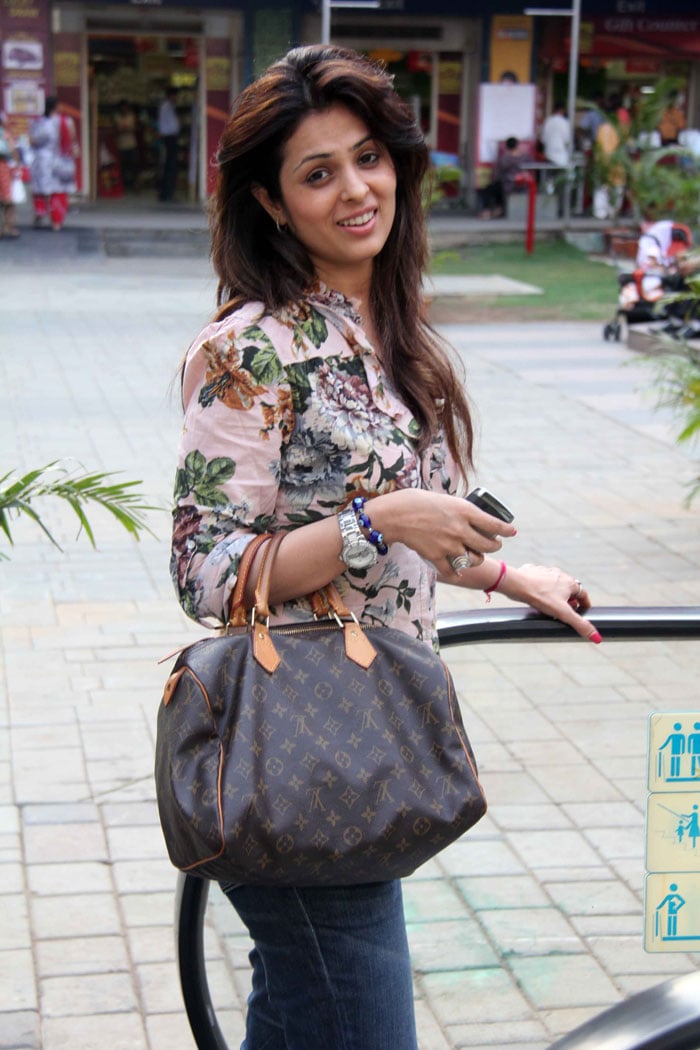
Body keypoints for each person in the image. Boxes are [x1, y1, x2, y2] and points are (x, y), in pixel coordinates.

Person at [170, 44, 600, 1050]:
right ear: (273, 203)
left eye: (368, 158)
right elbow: (206, 572)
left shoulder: (393, 332)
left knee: (304, 1015)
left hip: (365, 754)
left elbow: (424, 521)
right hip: (294, 756)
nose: (356, 189)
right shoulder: (244, 351)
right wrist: (375, 523)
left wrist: (503, 572)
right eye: (318, 173)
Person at [29, 95, 77, 231]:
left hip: (42, 160)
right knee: (59, 191)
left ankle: (40, 213)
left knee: (41, 189)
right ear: (57, 106)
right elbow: (72, 140)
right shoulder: (66, 121)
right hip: (61, 160)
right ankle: (56, 221)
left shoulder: (39, 122)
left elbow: (32, 141)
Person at [479, 136, 524, 218]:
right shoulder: (524, 157)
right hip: (517, 183)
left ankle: (488, 211)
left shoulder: (505, 158)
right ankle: (497, 209)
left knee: (489, 189)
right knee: (495, 188)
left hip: (508, 183)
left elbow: (497, 172)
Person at [0, 111, 21, 238]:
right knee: (8, 200)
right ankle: (8, 227)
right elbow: (13, 151)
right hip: (4, 169)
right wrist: (17, 166)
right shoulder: (5, 135)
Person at [157, 86, 179, 201]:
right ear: (170, 96)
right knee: (169, 166)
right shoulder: (166, 107)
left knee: (171, 166)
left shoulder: (170, 107)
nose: (176, 98)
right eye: (175, 95)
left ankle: (167, 193)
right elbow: (164, 126)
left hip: (171, 137)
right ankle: (165, 193)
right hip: (168, 138)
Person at [114, 99, 139, 191]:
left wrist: (126, 129)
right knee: (122, 166)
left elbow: (134, 128)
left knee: (133, 165)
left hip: (131, 144)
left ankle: (134, 185)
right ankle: (123, 185)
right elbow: (117, 129)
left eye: (125, 107)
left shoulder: (131, 116)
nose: (124, 109)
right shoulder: (117, 117)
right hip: (121, 145)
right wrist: (126, 129)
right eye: (122, 107)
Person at [541, 100, 570, 168]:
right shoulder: (565, 123)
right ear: (563, 110)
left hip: (548, 154)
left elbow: (543, 139)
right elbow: (567, 140)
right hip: (561, 156)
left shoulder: (548, 121)